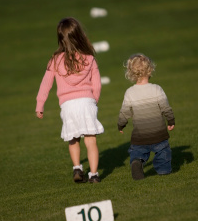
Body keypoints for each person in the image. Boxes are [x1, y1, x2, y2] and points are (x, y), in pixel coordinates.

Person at [36, 17, 104, 183]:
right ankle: (94, 174)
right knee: (91, 140)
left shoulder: (55, 60)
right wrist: (93, 100)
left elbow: (46, 83)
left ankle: (77, 168)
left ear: (60, 39)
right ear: (79, 35)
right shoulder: (89, 58)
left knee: (73, 139)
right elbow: (97, 84)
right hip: (86, 102)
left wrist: (40, 104)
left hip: (68, 105)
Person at [117, 53, 175, 180]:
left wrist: (121, 124)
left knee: (137, 152)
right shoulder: (157, 89)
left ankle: (137, 161)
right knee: (163, 152)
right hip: (158, 133)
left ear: (131, 73)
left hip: (140, 136)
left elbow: (124, 112)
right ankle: (164, 170)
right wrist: (171, 120)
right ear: (150, 69)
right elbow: (166, 107)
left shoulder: (130, 93)